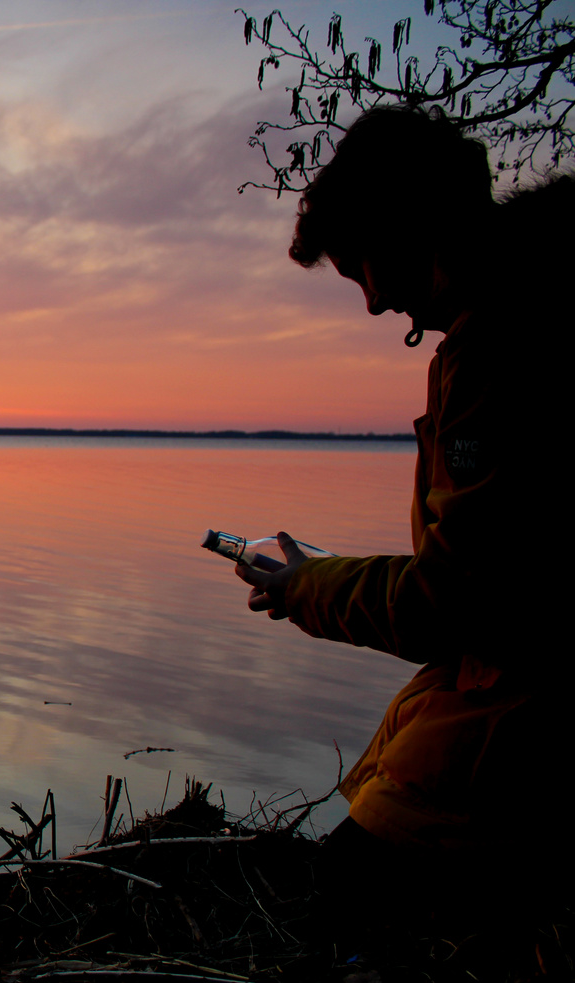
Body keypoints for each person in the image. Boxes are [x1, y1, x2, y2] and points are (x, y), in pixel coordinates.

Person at [234, 107, 569, 891]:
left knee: (342, 893)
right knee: (402, 743)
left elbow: (456, 602)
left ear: (406, 226)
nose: (375, 305)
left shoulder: (505, 346)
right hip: (512, 674)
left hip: (542, 705)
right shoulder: (523, 311)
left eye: (363, 271)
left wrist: (308, 588)